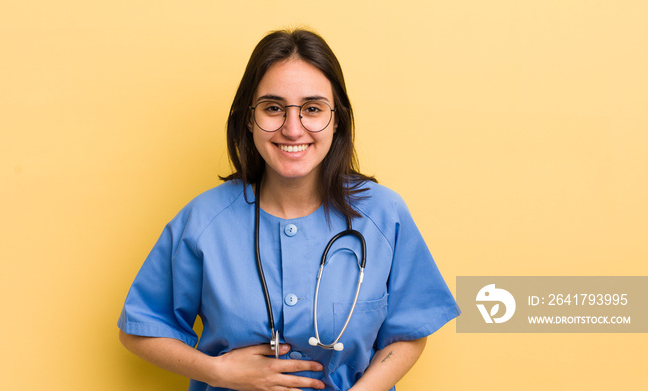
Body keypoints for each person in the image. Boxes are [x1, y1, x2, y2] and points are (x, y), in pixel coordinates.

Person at [118, 28, 460, 391]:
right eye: (273, 108)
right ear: (249, 119)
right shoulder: (202, 221)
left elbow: (409, 332)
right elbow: (140, 330)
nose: (292, 129)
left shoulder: (383, 214)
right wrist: (219, 372)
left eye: (312, 109)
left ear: (337, 118)